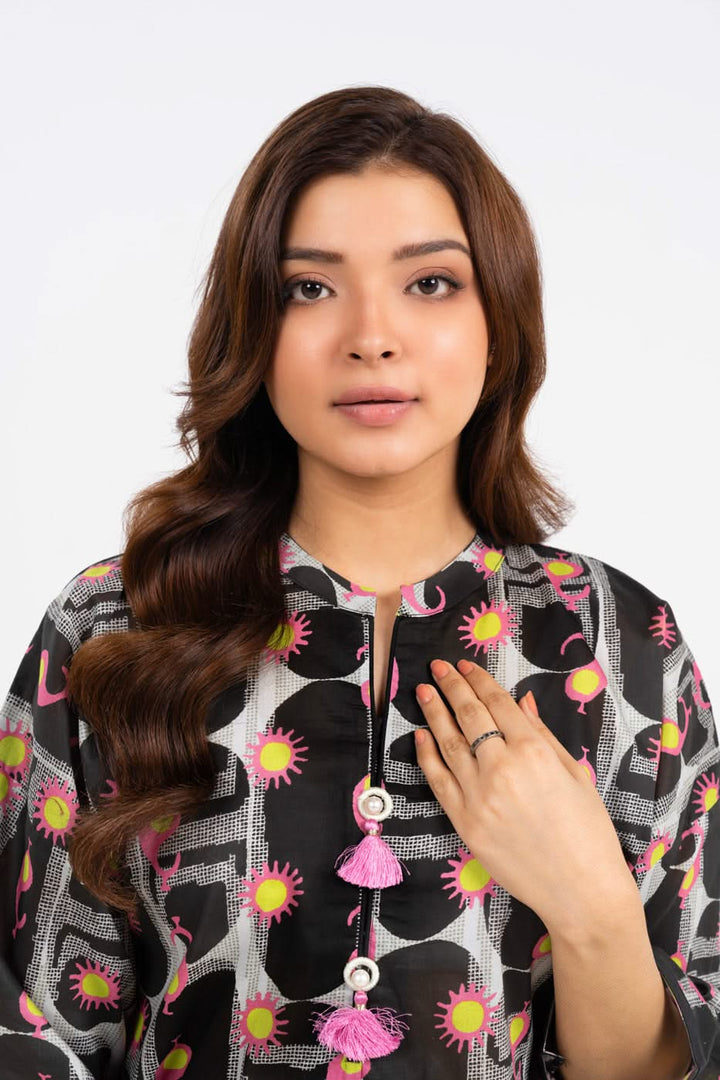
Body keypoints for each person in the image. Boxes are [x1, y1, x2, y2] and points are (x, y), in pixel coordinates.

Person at [0, 85, 717, 1080]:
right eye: (310, 287)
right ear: (252, 324)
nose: (372, 336)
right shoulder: (113, 631)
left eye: (430, 283)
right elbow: (32, 1034)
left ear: (500, 318)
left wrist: (592, 905)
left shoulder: (624, 649)